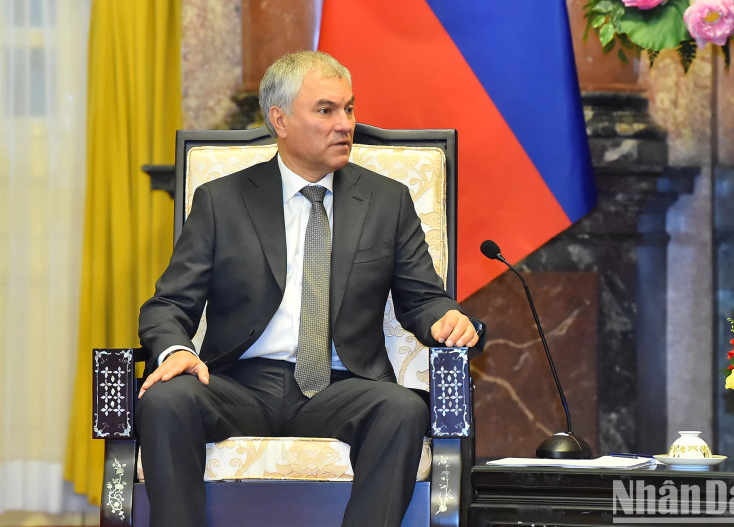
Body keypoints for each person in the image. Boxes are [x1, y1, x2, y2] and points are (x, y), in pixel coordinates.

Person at [136, 50, 479, 527]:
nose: (345, 124)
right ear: (280, 119)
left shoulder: (386, 200)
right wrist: (175, 348)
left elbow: (423, 297)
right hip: (239, 383)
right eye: (326, 110)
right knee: (165, 400)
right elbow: (168, 304)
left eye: (349, 109)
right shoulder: (222, 201)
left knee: (401, 409)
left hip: (343, 387)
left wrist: (445, 316)